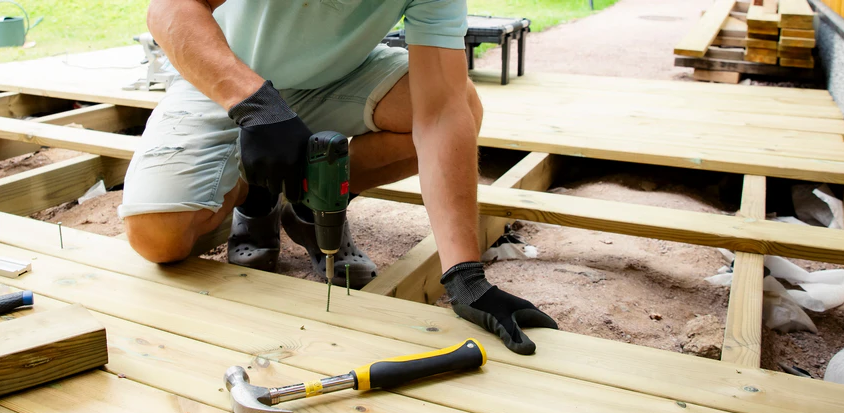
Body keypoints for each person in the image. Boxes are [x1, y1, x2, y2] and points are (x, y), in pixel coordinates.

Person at [122, 0, 557, 354]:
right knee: (158, 236)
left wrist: (466, 275)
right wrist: (255, 106)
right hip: (221, 74)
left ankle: (310, 198)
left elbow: (441, 112)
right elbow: (169, 9)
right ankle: (258, 191)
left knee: (459, 101)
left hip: (339, 77)